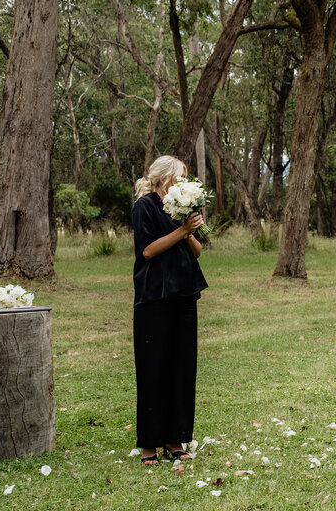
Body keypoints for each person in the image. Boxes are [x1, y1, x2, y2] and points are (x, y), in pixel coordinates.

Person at [132, 155, 208, 466]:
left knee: (181, 366)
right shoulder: (145, 207)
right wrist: (180, 231)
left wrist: (189, 229)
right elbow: (148, 251)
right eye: (181, 175)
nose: (185, 180)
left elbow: (199, 251)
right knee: (154, 368)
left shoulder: (186, 208)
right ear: (165, 178)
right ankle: (149, 444)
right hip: (154, 297)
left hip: (184, 293)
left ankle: (175, 439)